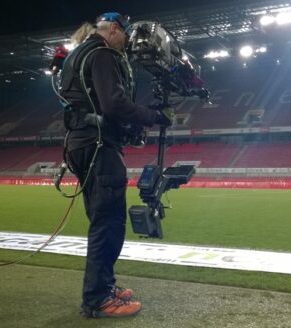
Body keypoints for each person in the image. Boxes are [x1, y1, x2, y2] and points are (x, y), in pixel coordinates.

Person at [58, 12, 173, 318]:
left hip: (81, 143)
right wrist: (152, 116)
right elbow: (114, 104)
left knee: (102, 220)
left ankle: (104, 286)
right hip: (98, 145)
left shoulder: (79, 54)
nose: (126, 44)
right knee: (108, 223)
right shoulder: (103, 54)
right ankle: (97, 299)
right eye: (124, 35)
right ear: (112, 29)